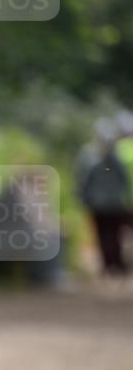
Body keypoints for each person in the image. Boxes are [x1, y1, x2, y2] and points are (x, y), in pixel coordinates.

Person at [75, 118, 129, 277]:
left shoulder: (93, 156)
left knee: (110, 235)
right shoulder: (94, 155)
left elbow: (84, 180)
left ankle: (114, 265)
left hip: (107, 204)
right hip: (105, 204)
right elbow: (123, 180)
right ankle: (112, 266)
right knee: (108, 235)